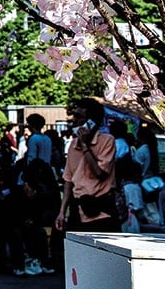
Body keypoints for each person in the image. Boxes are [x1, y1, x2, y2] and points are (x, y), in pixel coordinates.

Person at [55, 98, 120, 233]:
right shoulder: (73, 145)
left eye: (79, 117)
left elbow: (100, 172)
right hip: (77, 210)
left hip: (101, 211)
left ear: (91, 121)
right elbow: (68, 180)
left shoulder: (107, 141)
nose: (75, 120)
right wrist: (62, 212)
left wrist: (85, 146)